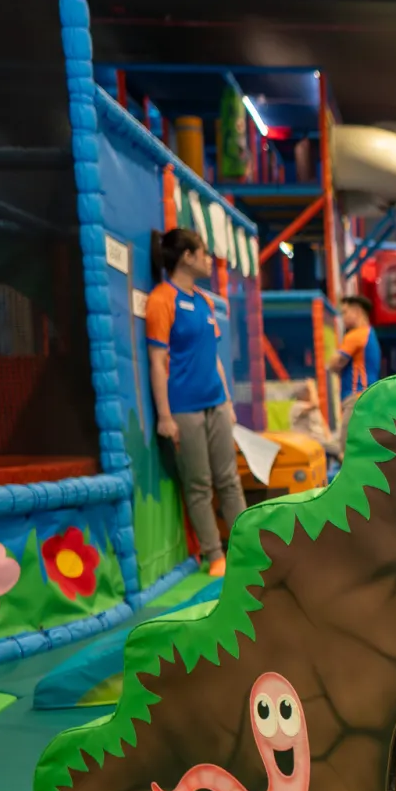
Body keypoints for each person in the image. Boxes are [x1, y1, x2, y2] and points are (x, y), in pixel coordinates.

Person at [146, 228, 246, 578]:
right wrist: (164, 415)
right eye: (203, 252)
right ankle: (214, 554)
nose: (208, 260)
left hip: (215, 403)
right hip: (184, 408)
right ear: (186, 256)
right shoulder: (162, 299)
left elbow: (215, 357)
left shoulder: (204, 302)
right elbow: (157, 361)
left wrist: (228, 401)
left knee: (229, 480)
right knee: (199, 484)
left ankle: (245, 548)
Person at [327, 294, 380, 445]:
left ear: (356, 312)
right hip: (366, 396)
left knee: (346, 446)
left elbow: (333, 362)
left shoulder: (356, 335)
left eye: (345, 312)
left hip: (357, 398)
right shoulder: (370, 333)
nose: (342, 318)